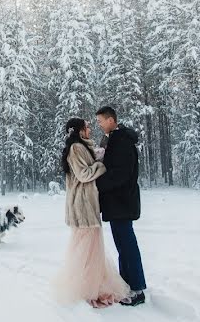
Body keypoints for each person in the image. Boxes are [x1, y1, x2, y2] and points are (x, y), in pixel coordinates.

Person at [53, 117, 129, 308]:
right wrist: (101, 165)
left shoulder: (82, 147)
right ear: (79, 131)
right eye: (86, 127)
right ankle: (86, 288)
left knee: (91, 249)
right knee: (86, 251)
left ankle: (89, 286)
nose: (89, 129)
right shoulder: (76, 148)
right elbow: (84, 174)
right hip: (82, 207)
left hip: (86, 205)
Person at [95, 106, 147, 306]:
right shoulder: (115, 140)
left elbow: (121, 173)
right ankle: (128, 285)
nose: (99, 125)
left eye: (100, 121)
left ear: (110, 120)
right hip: (119, 202)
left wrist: (98, 183)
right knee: (123, 246)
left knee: (127, 246)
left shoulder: (121, 141)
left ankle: (137, 289)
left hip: (122, 201)